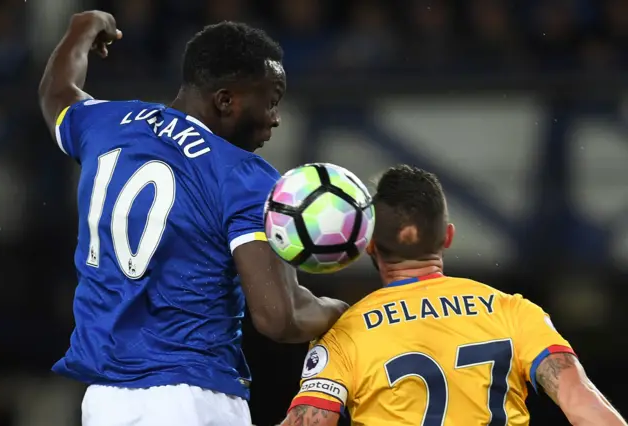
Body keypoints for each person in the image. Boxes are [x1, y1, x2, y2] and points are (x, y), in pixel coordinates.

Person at [38, 11, 347, 426]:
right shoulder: (241, 175)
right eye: (271, 102)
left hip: (104, 402)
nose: (275, 119)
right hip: (193, 397)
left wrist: (84, 28)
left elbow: (56, 92)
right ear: (225, 100)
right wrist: (341, 311)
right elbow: (279, 316)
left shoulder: (106, 124)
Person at [279, 165, 625, 426]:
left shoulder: (345, 333)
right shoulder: (514, 311)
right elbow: (584, 406)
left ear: (367, 244)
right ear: (448, 236)